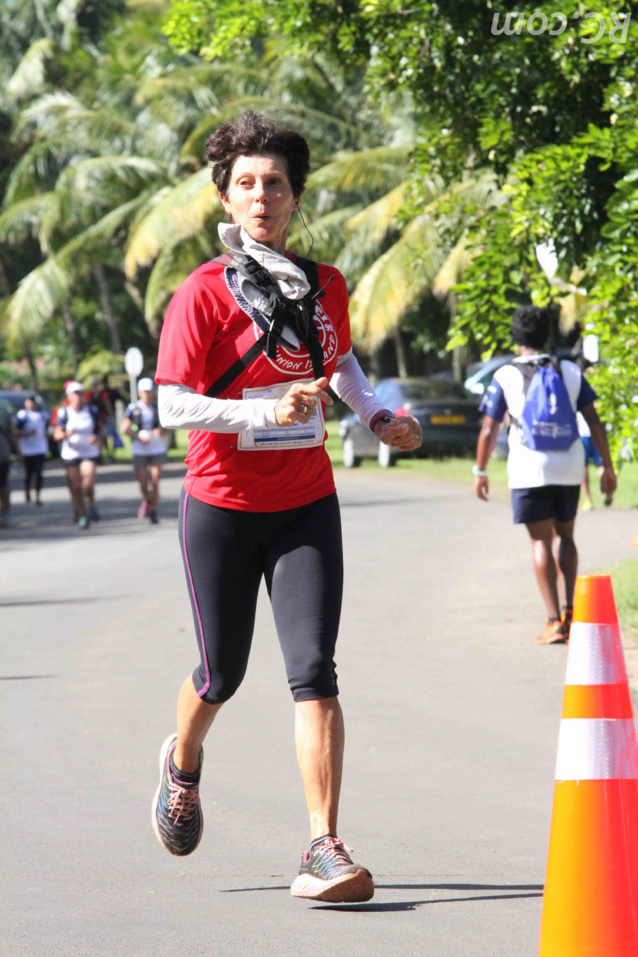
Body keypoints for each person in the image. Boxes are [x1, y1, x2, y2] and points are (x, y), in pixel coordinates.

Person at [152, 111, 421, 902]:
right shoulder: (201, 293)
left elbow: (344, 369)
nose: (261, 195)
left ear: (295, 197)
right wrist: (255, 415)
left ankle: (322, 846)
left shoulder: (325, 283)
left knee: (314, 672)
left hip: (306, 503)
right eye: (246, 183)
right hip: (222, 507)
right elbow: (171, 406)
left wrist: (380, 418)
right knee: (220, 673)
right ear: (225, 198)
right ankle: (183, 764)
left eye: (275, 183)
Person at [473, 306, 616, 644]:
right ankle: (572, 612)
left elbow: (488, 429)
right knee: (565, 537)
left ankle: (554, 621)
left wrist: (480, 471)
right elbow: (594, 422)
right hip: (568, 467)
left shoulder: (505, 375)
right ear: (547, 335)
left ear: (517, 338)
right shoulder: (569, 369)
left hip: (529, 469)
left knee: (540, 540)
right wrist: (606, 467)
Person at [53, 381, 102, 529]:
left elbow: (100, 428)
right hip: (71, 453)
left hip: (89, 451)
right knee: (75, 487)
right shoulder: (63, 412)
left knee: (87, 483)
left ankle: (91, 503)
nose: (78, 397)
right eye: (74, 394)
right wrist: (64, 434)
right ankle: (82, 515)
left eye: (80, 393)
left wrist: (97, 437)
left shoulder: (92, 410)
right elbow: (56, 434)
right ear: (68, 396)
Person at [121, 377, 167, 524]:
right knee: (143, 482)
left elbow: (168, 426)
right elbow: (124, 428)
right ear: (140, 392)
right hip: (140, 449)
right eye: (144, 391)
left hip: (156, 448)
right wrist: (138, 437)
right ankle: (146, 500)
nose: (147, 394)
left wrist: (161, 432)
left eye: (149, 391)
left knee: (154, 480)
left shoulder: (157, 407)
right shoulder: (133, 408)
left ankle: (153, 509)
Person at [575, 358, 605, 511]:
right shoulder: (599, 382)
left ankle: (588, 499)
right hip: (597, 432)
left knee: (584, 467)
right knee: (601, 465)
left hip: (583, 433)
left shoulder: (579, 383)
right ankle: (607, 490)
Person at [15, 394, 50, 505]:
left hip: (40, 448)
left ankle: (38, 496)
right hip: (26, 449)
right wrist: (27, 433)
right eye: (29, 402)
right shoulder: (22, 415)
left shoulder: (43, 415)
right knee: (28, 473)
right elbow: (15, 432)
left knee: (39, 473)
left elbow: (47, 429)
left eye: (33, 402)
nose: (31, 404)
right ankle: (27, 491)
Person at [0, 399, 18, 527]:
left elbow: (10, 432)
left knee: (2, 485)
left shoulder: (2, 409)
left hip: (2, 453)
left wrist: (18, 452)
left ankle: (6, 511)